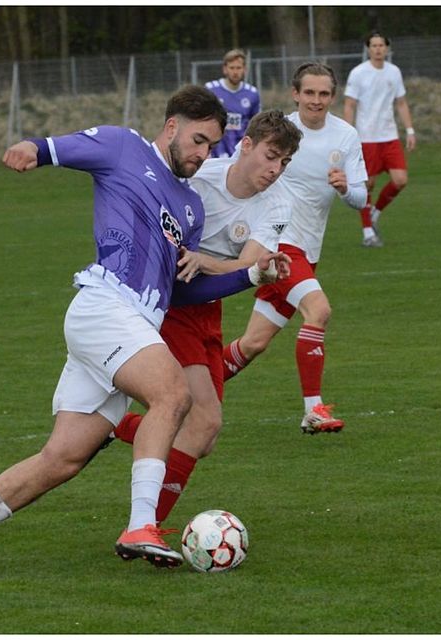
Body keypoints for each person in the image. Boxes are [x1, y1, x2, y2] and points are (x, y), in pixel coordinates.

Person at [0, 86, 288, 580]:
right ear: (171, 126)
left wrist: (251, 276)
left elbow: (183, 292)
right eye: (197, 140)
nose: (201, 154)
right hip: (105, 305)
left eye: (210, 146)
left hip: (135, 321)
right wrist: (30, 149)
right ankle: (140, 526)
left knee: (63, 459)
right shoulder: (122, 146)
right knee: (173, 394)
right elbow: (55, 148)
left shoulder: (191, 207)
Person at [110, 109, 302, 525]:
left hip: (210, 308)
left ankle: (115, 425)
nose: (276, 169)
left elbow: (247, 266)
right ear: (246, 145)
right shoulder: (199, 177)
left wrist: (206, 260)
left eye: (284, 162)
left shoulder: (280, 202)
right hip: (175, 304)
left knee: (204, 436)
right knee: (204, 419)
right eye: (271, 155)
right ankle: (145, 527)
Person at [221, 62, 368, 434]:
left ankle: (185, 389)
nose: (316, 101)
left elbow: (361, 197)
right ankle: (313, 409)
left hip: (308, 252)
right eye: (309, 93)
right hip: (281, 246)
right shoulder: (280, 134)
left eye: (323, 94)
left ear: (332, 97)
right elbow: (241, 169)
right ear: (295, 94)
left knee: (253, 344)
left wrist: (345, 188)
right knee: (318, 310)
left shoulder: (346, 136)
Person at [343, 31, 416, 248]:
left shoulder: (394, 72)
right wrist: (349, 134)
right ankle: (367, 232)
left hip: (390, 136)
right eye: (373, 45)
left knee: (400, 180)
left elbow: (401, 103)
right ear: (368, 48)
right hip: (367, 138)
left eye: (381, 45)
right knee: (368, 184)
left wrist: (410, 130)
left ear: (387, 48)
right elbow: (349, 105)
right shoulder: (358, 73)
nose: (377, 49)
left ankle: (374, 213)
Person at [205, 49, 261, 159]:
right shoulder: (211, 89)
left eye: (238, 68)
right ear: (225, 69)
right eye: (232, 68)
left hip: (240, 152)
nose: (235, 72)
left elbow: (256, 125)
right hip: (216, 151)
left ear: (244, 69)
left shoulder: (252, 93)